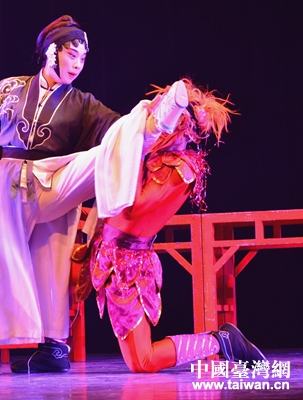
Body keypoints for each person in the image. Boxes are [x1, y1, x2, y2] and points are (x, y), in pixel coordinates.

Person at [0, 15, 182, 374]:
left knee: (103, 156)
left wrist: (143, 125)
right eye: (72, 54)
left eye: (83, 58)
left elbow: (114, 130)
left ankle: (156, 122)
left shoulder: (82, 102)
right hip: (9, 186)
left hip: (54, 177)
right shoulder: (9, 90)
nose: (78, 64)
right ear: (51, 52)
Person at [86, 78, 266, 373]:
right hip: (106, 253)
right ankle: (50, 347)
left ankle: (220, 342)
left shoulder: (180, 168)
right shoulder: (152, 154)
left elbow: (132, 209)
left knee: (143, 362)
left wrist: (131, 154)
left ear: (181, 125)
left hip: (128, 264)